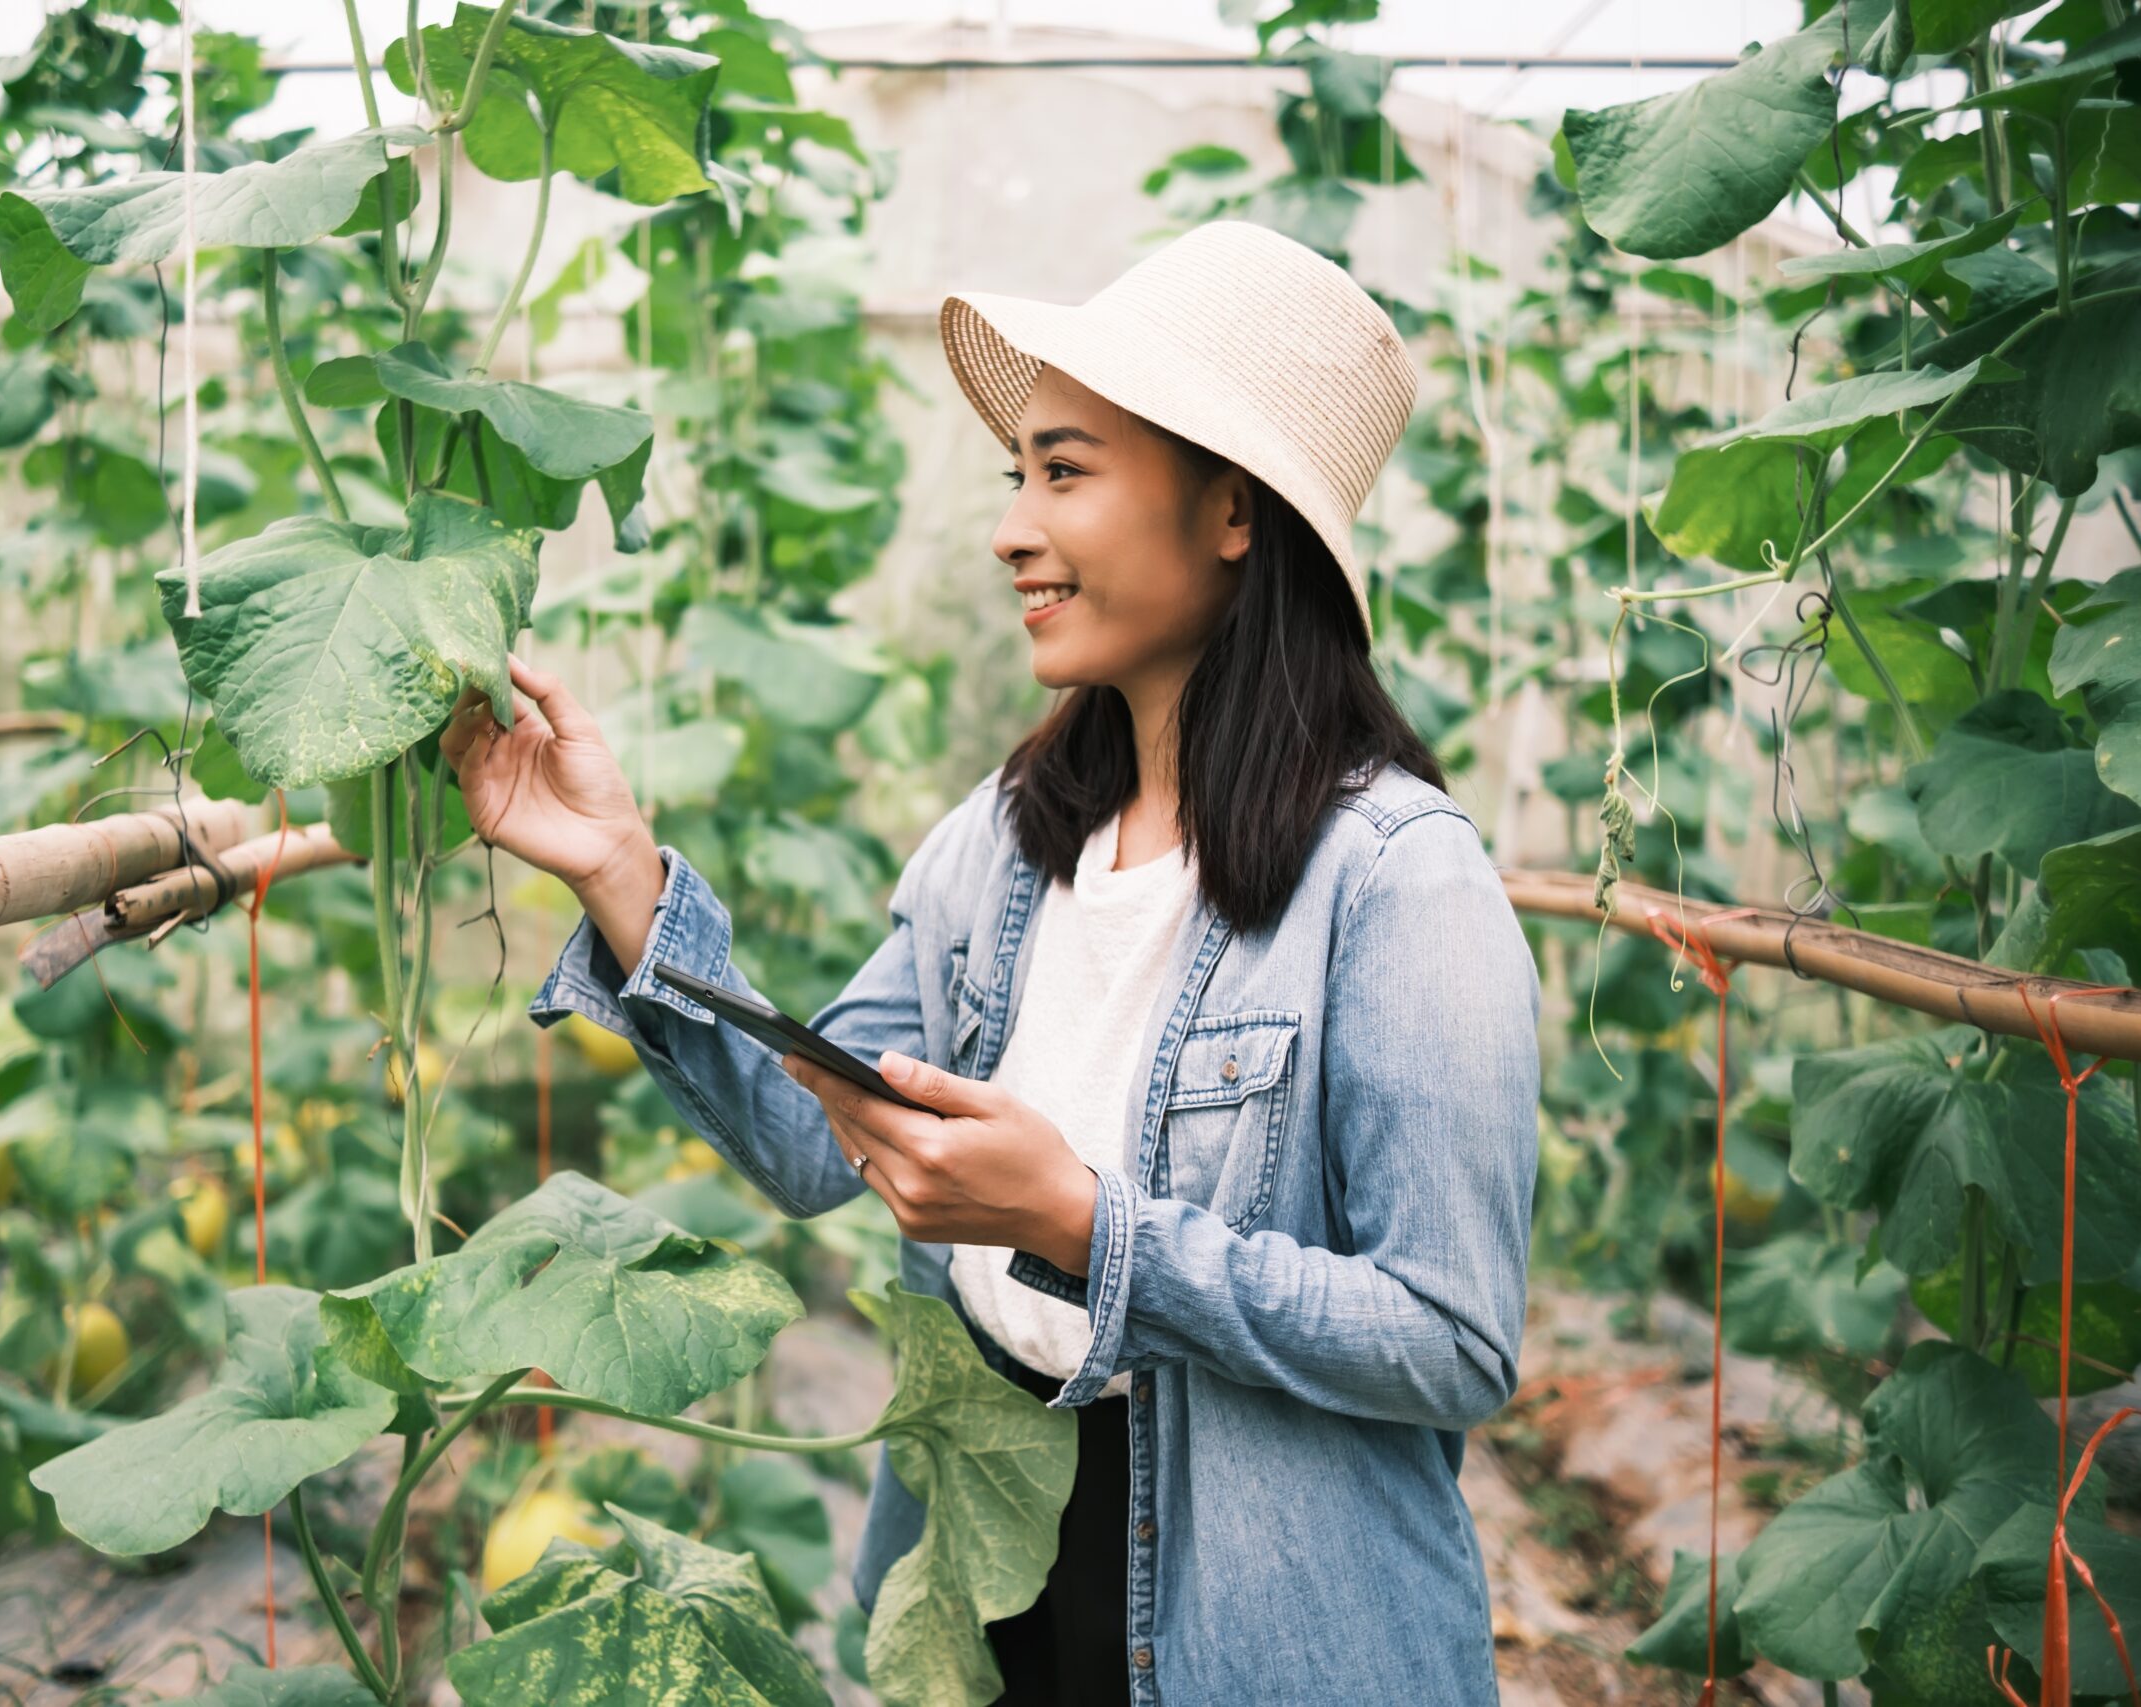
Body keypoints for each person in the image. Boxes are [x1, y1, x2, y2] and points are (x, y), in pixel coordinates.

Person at [438, 219, 1541, 1706]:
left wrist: (1092, 1229)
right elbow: (810, 1141)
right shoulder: (1007, 840)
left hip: (1266, 1611)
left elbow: (1451, 1339)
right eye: (1017, 474)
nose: (1015, 526)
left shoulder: (1400, 882)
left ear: (1232, 510)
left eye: (1065, 472)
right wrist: (621, 871)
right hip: (987, 1551)